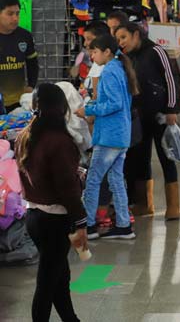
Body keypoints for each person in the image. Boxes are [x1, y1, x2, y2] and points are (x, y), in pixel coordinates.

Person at [16, 83, 87, 322]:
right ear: (61, 108)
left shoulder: (26, 135)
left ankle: (71, 319)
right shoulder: (59, 141)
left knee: (59, 277)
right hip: (55, 219)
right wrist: (81, 221)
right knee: (47, 283)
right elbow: (67, 189)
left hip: (33, 216)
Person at [115, 22, 180, 220]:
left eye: (124, 38)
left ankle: (173, 206)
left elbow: (171, 80)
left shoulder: (156, 51)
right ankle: (145, 204)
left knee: (166, 157)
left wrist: (171, 109)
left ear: (136, 35)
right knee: (140, 159)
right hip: (138, 116)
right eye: (118, 40)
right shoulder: (126, 57)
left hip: (161, 115)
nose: (121, 43)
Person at [75, 34, 138, 240]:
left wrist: (89, 108)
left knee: (93, 180)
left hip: (109, 136)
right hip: (120, 134)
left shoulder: (110, 71)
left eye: (94, 52)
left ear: (107, 52)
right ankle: (123, 224)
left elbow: (114, 104)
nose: (92, 56)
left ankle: (90, 225)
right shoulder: (119, 68)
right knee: (116, 179)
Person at [0, 0, 38, 110]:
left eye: (17, 13)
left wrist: (31, 86)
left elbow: (32, 63)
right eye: (10, 14)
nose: (15, 18)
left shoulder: (25, 36)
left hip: (19, 101)